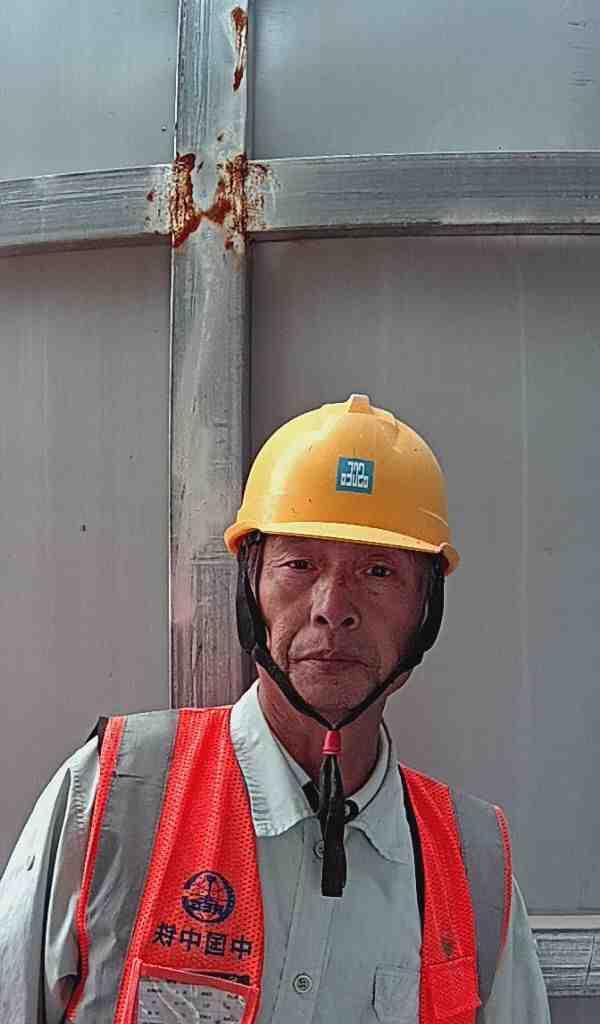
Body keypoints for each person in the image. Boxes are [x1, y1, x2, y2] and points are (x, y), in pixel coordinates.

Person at [0, 394, 550, 1023]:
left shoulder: (474, 863)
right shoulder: (113, 792)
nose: (332, 608)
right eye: (300, 564)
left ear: (425, 611)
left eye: (378, 571)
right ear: (250, 588)